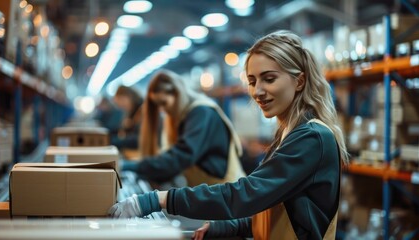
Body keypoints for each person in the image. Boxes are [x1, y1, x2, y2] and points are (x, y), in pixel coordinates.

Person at [109, 30, 349, 240]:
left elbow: (248, 194)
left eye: (269, 78)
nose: (258, 91)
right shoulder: (288, 133)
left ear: (299, 81)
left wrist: (157, 200)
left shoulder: (312, 138)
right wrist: (224, 227)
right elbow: (270, 209)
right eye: (253, 81)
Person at [121, 69, 246, 187]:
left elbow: (181, 156)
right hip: (210, 191)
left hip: (227, 191)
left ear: (177, 93)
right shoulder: (181, 117)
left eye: (164, 103)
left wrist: (135, 166)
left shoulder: (201, 113)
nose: (162, 110)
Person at [111, 85, 144, 150]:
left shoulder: (143, 110)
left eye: (122, 103)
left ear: (128, 96)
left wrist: (112, 141)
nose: (122, 107)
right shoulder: (132, 112)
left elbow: (139, 139)